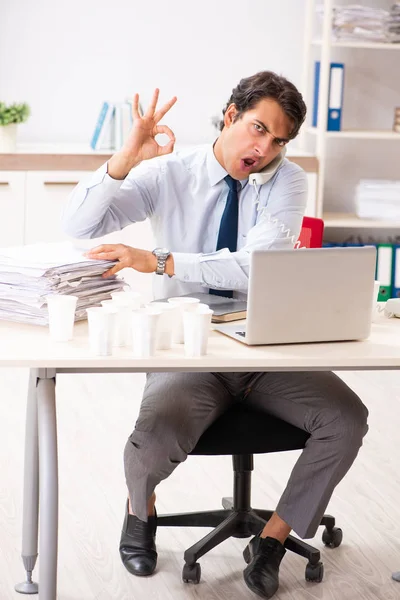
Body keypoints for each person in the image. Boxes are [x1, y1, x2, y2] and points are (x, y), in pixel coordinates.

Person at [62, 71, 369, 599]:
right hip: (188, 342)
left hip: (262, 342)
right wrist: (124, 160)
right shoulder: (169, 174)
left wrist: (158, 260)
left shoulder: (286, 180)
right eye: (257, 129)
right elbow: (81, 226)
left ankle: (272, 540)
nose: (264, 148)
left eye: (278, 140)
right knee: (153, 440)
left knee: (345, 419)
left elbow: (253, 269)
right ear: (230, 115)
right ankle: (142, 512)